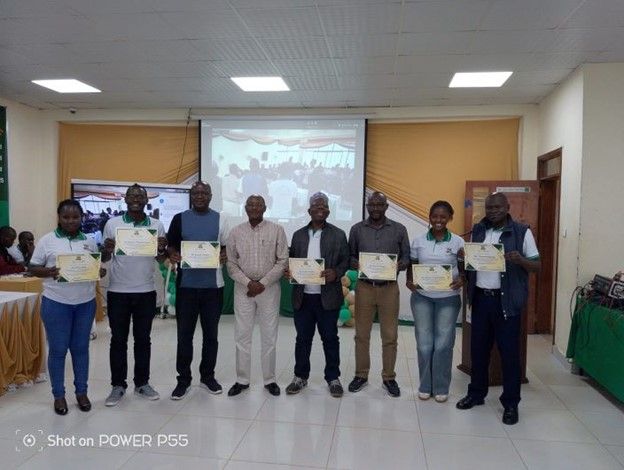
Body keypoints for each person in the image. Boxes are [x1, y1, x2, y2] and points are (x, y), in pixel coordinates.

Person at [456, 192, 540, 425]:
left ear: (507, 207)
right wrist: (464, 257)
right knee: (478, 351)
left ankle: (511, 403)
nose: (493, 211)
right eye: (489, 208)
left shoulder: (522, 232)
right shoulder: (479, 230)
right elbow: (472, 263)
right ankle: (476, 394)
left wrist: (520, 260)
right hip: (480, 300)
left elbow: (537, 265)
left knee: (509, 355)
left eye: (497, 207)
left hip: (506, 303)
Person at [29, 200, 104, 415]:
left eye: (75, 217)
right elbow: (33, 267)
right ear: (59, 218)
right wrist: (49, 272)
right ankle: (59, 395)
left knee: (81, 349)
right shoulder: (47, 241)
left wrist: (99, 272)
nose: (71, 221)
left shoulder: (89, 241)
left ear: (82, 218)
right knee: (58, 350)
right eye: (66, 217)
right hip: (56, 303)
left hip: (85, 303)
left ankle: (81, 392)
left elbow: (94, 267)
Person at [100, 184, 167, 406]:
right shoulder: (112, 224)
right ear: (125, 199)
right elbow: (105, 258)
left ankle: (142, 384)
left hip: (146, 291)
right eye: (132, 195)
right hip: (118, 291)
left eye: (140, 196)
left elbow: (160, 259)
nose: (136, 199)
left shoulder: (157, 225)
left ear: (147, 200)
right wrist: (107, 249)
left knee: (143, 340)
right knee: (118, 340)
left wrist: (161, 248)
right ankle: (117, 386)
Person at [166, 181, 229, 400]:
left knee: (211, 336)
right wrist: (172, 254)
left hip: (213, 287)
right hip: (187, 287)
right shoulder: (179, 218)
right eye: (196, 193)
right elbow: (171, 246)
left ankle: (207, 377)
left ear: (211, 196)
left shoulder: (221, 219)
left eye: (204, 193)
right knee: (184, 336)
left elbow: (227, 247)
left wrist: (224, 254)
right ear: (191, 196)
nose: (200, 196)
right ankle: (183, 380)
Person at [285, 192, 349, 397]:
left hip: (328, 297)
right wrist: (289, 271)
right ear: (309, 210)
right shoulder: (298, 235)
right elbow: (292, 260)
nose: (320, 209)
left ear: (328, 211)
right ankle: (300, 377)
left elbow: (346, 260)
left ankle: (333, 378)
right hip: (303, 297)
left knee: (330, 338)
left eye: (324, 207)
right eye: (316, 206)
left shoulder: (339, 234)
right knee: (303, 339)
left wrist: (336, 273)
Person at [347, 191, 410, 397]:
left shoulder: (399, 229)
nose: (375, 208)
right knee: (361, 335)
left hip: (389, 288)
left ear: (386, 207)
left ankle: (389, 377)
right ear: (367, 206)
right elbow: (350, 256)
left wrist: (399, 265)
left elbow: (407, 257)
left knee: (390, 336)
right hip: (364, 287)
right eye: (372, 205)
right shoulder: (357, 229)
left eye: (379, 205)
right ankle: (361, 375)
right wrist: (356, 264)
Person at [226, 195, 288, 397]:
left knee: (269, 336)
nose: (254, 208)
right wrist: (248, 283)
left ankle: (269, 380)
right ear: (245, 208)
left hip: (269, 289)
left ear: (265, 208)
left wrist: (262, 283)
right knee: (242, 335)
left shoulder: (277, 230)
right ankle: (242, 380)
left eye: (258, 205)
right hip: (243, 289)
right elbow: (231, 263)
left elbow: (282, 261)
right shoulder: (235, 232)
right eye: (250, 205)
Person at [406, 201, 464, 403]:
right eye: (434, 216)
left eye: (443, 217)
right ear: (429, 217)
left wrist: (462, 280)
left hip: (448, 298)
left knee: (443, 344)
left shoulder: (458, 242)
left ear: (450, 218)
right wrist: (409, 281)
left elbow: (464, 271)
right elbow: (412, 266)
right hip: (422, 297)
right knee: (424, 344)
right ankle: (425, 385)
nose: (438, 220)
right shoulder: (418, 241)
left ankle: (440, 387)